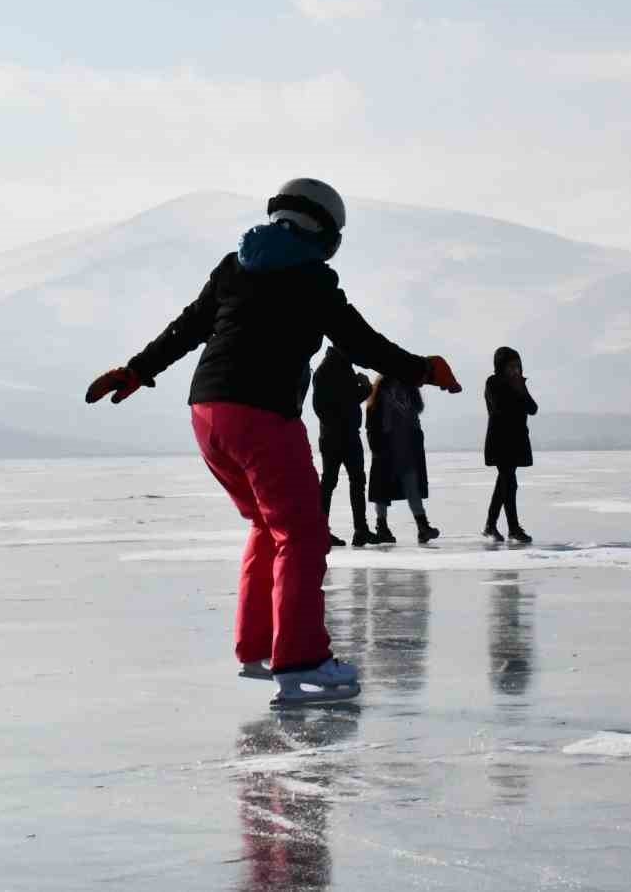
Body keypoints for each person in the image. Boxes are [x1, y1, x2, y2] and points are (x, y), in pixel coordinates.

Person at [83, 178, 462, 706]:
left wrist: (136, 370)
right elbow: (361, 342)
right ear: (325, 230)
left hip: (207, 414)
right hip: (262, 417)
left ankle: (256, 648)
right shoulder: (313, 280)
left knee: (267, 524)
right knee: (303, 535)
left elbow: (189, 326)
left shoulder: (233, 265)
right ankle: (302, 660)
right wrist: (422, 369)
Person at [311, 346, 374, 547]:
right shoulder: (331, 369)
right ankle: (336, 531)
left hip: (336, 435)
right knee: (337, 482)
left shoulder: (336, 367)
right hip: (340, 436)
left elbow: (333, 403)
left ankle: (356, 530)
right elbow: (346, 399)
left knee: (341, 481)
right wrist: (366, 386)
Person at [366, 374, 439, 544]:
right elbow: (372, 423)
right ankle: (382, 526)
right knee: (382, 491)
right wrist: (376, 446)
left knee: (411, 486)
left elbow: (414, 415)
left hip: (406, 448)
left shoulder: (408, 390)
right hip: (386, 449)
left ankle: (422, 526)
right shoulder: (380, 393)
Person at [483, 346, 537, 543]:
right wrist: (514, 389)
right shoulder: (493, 382)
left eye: (517, 365)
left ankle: (490, 525)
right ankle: (513, 528)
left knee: (504, 483)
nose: (515, 369)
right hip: (500, 441)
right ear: (501, 366)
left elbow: (533, 409)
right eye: (511, 366)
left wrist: (521, 388)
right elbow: (498, 408)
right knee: (509, 483)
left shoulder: (519, 385)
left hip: (516, 440)